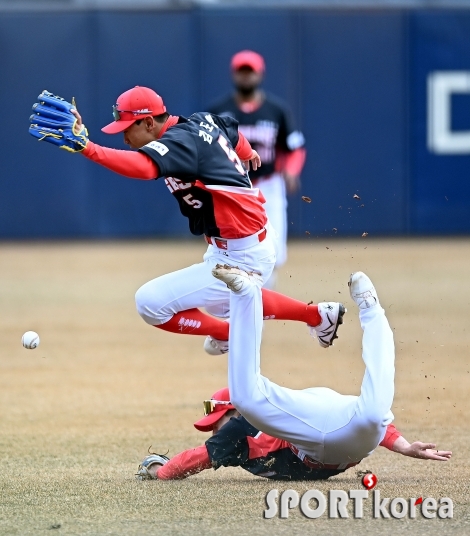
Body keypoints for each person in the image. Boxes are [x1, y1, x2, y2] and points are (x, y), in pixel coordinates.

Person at [29, 87, 344, 355]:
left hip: (242, 250)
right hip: (242, 242)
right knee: (231, 303)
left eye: (127, 128)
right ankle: (316, 315)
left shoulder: (181, 141)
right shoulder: (200, 121)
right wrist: (247, 151)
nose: (124, 136)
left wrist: (88, 148)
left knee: (150, 303)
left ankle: (228, 333)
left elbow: (144, 168)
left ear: (150, 122)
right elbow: (230, 129)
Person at [136, 384, 451, 481]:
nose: (217, 428)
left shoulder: (239, 427)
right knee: (357, 418)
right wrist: (405, 447)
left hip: (318, 451)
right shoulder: (258, 421)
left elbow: (196, 457)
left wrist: (158, 469)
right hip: (335, 451)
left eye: (219, 419)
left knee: (347, 419)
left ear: (236, 411)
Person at [208, 50, 307, 289]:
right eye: (241, 71)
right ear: (234, 74)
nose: (246, 77)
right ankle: (252, 302)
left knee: (277, 254)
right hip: (233, 188)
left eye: (250, 71)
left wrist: (292, 171)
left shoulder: (276, 110)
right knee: (236, 251)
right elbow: (207, 148)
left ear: (260, 73)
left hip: (269, 184)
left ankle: (261, 297)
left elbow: (295, 147)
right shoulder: (219, 110)